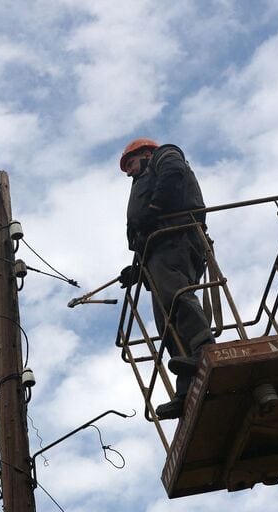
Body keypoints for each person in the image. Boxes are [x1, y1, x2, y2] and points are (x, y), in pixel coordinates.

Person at [118, 137, 214, 420]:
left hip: (176, 238)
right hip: (156, 251)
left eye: (131, 164)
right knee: (166, 322)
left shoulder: (165, 156)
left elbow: (174, 176)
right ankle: (185, 390)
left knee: (176, 296)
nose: (130, 172)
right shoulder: (142, 180)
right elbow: (144, 229)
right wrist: (136, 269)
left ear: (146, 153)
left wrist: (154, 211)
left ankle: (204, 346)